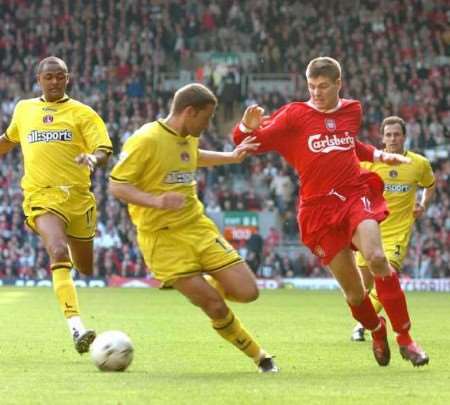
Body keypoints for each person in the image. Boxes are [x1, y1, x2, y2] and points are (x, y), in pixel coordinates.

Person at [233, 57, 429, 367]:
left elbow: (349, 144)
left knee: (377, 258)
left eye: (323, 86)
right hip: (318, 210)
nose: (317, 93)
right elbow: (244, 143)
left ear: (338, 84)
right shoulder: (295, 115)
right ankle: (377, 330)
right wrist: (245, 127)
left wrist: (377, 154)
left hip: (353, 194)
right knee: (354, 294)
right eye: (311, 86)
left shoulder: (352, 109)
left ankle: (405, 338)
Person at [109, 83, 279, 373]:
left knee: (248, 291)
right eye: (207, 117)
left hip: (198, 228)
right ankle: (260, 357)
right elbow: (117, 185)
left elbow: (194, 155)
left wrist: (231, 156)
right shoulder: (145, 139)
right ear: (189, 111)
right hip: (162, 240)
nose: (208, 123)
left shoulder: (187, 136)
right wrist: (157, 201)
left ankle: (208, 285)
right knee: (215, 306)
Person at [0, 56, 112, 353]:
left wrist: (93, 158)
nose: (54, 81)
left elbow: (104, 148)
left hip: (78, 199)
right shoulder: (24, 109)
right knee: (58, 251)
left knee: (86, 268)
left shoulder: (83, 113)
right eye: (48, 76)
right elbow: (8, 140)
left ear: (68, 78)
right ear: (39, 79)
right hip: (41, 197)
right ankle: (76, 328)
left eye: (59, 76)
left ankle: (67, 270)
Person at [351, 116, 436, 341]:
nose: (392, 138)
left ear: (404, 136)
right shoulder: (369, 162)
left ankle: (363, 327)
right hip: (368, 232)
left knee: (387, 276)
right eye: (388, 134)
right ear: (382, 137)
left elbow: (430, 185)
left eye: (397, 134)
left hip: (397, 233)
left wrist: (423, 205)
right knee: (363, 289)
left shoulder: (419, 164)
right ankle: (367, 322)